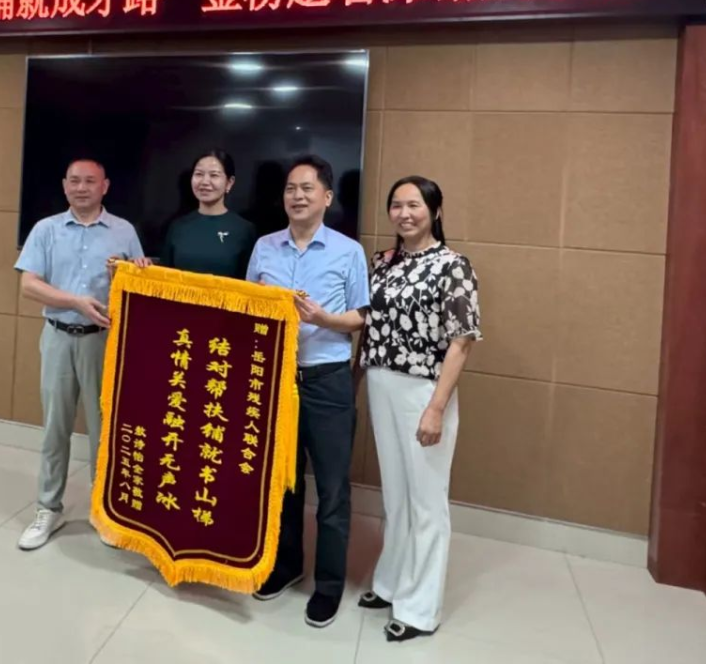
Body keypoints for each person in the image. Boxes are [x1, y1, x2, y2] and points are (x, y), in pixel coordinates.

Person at [246, 154, 369, 628]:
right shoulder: (265, 247)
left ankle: (329, 585)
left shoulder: (348, 251)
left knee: (333, 488)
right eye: (290, 189)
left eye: (307, 188)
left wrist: (322, 318)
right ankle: (286, 565)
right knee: (283, 481)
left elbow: (361, 317)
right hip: (276, 381)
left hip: (327, 380)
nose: (297, 196)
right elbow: (248, 305)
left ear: (327, 197)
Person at [356, 176, 481, 642]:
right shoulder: (382, 261)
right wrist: (355, 379)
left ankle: (420, 608)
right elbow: (369, 326)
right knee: (396, 494)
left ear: (435, 211)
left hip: (424, 390)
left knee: (427, 500)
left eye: (414, 205)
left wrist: (436, 407)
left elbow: (461, 342)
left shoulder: (453, 266)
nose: (404, 214)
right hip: (380, 383)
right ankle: (391, 582)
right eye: (396, 205)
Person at [14, 159, 144, 551]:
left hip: (102, 341)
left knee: (105, 430)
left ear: (105, 186)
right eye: (74, 181)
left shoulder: (124, 231)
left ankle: (103, 512)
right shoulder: (46, 229)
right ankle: (47, 508)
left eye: (90, 181)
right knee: (55, 427)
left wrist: (138, 271)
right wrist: (74, 301)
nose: (81, 187)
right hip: (57, 336)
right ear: (64, 185)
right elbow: (28, 285)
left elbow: (137, 285)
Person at [159, 149, 256, 278]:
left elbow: (249, 281)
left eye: (214, 175)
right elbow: (163, 276)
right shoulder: (177, 227)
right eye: (199, 174)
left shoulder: (244, 230)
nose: (205, 182)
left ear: (229, 182)